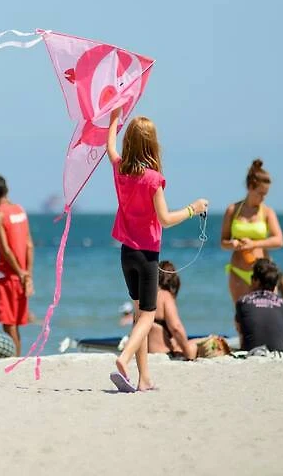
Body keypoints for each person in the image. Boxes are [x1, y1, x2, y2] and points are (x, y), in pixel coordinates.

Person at [106, 109, 209, 392]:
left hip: (126, 254)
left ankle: (144, 379)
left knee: (139, 315)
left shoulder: (120, 169)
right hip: (147, 256)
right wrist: (193, 209)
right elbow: (165, 219)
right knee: (148, 316)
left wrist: (114, 116)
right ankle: (124, 358)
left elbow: (109, 146)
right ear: (152, 144)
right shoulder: (153, 179)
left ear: (129, 142)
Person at [221, 159, 283, 304]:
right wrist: (232, 244)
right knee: (242, 314)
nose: (263, 198)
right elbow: (223, 242)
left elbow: (279, 240)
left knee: (269, 311)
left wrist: (254, 244)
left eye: (266, 194)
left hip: (264, 274)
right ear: (250, 187)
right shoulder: (232, 210)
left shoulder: (267, 212)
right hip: (238, 271)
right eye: (260, 193)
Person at [0, 173, 34, 357]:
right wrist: (27, 275)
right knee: (15, 323)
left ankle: (15, 359)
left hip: (8, 274)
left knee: (8, 324)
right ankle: (18, 357)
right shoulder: (20, 210)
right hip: (22, 274)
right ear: (7, 190)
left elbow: (5, 249)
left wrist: (20, 272)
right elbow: (29, 244)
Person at [236, 258, 283, 354]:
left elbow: (240, 330)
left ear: (256, 280)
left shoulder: (243, 302)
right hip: (278, 353)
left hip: (251, 352)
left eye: (252, 277)